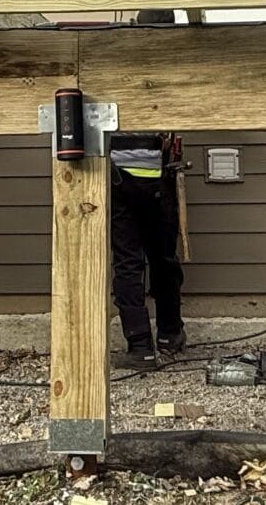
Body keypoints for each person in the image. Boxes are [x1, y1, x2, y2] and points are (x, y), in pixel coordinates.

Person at [108, 128, 184, 365]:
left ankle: (141, 347)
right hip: (158, 174)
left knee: (128, 263)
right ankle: (170, 335)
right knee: (163, 257)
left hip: (118, 176)